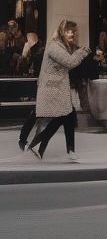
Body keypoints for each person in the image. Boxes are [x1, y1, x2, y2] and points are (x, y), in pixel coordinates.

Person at [26, 20, 90, 161]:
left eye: (74, 31)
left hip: (57, 88)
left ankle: (62, 149)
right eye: (69, 31)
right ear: (62, 31)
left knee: (68, 116)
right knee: (66, 116)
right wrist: (84, 51)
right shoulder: (55, 46)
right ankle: (41, 145)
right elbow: (70, 62)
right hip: (52, 89)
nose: (72, 33)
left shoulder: (61, 46)